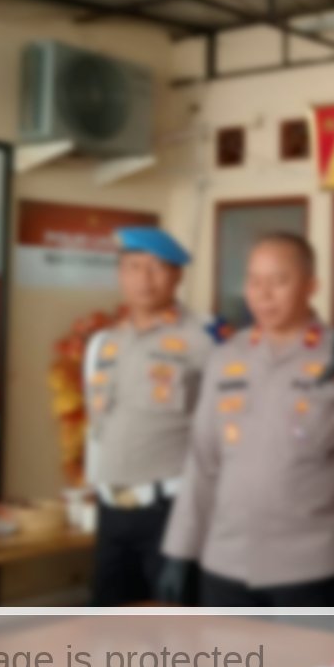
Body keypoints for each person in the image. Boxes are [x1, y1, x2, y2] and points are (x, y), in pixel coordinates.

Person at [159, 234, 334, 607]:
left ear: (311, 286)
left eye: (279, 281)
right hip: (225, 560)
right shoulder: (227, 356)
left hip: (310, 564)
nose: (264, 295)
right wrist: (180, 551)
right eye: (254, 281)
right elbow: (203, 461)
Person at [84, 227, 213, 607]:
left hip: (170, 511)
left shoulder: (204, 338)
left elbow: (227, 426)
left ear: (177, 276)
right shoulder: (106, 342)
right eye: (133, 267)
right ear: (120, 274)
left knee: (174, 627)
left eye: (156, 268)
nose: (143, 279)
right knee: (109, 623)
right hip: (112, 509)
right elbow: (100, 426)